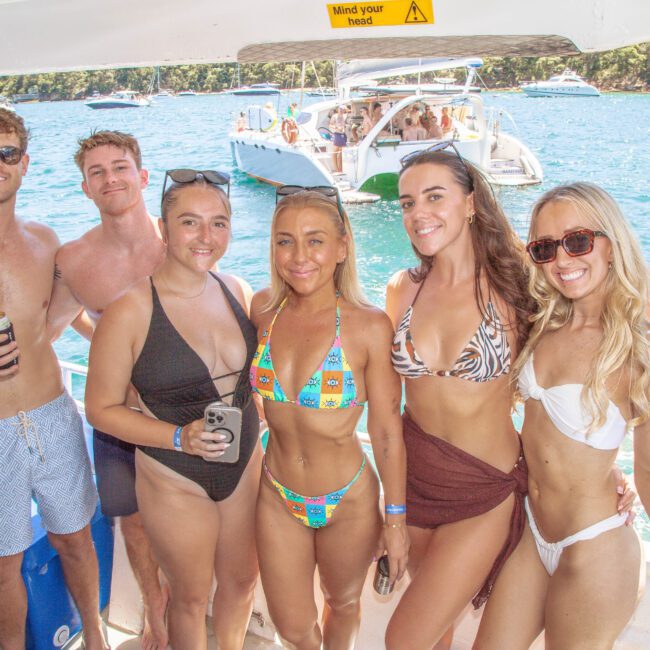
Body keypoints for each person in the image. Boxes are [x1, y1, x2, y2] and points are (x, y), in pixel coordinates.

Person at [85, 169, 262, 649]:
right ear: (163, 228)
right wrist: (178, 437)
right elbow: (99, 409)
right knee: (188, 598)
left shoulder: (237, 290)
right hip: (173, 474)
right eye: (190, 222)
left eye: (219, 223)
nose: (207, 237)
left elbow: (257, 383)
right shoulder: (130, 310)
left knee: (243, 582)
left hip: (244, 462)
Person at [474, 183, 649, 650]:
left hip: (596, 548)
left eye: (578, 241)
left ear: (610, 242)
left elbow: (649, 468)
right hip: (535, 535)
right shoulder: (546, 322)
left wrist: (623, 474)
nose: (562, 261)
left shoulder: (637, 342)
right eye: (545, 248)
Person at [384, 143, 535, 650]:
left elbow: (566, 379)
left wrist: (605, 468)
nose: (418, 214)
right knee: (437, 636)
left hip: (482, 492)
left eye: (434, 196)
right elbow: (383, 408)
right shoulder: (400, 290)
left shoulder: (517, 286)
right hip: (417, 481)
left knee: (404, 639)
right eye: (407, 203)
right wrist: (394, 511)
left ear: (470, 203)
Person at [250, 187, 409, 649]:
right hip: (277, 495)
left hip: (349, 501)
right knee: (293, 626)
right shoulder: (264, 312)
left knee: (342, 605)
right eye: (285, 241)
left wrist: (395, 522)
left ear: (342, 247)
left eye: (315, 240)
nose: (299, 256)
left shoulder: (367, 325)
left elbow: (385, 432)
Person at [46, 130, 169, 649]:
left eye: (119, 167)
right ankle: (156, 623)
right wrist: (100, 341)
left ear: (141, 177)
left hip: (183, 410)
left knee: (199, 518)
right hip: (118, 414)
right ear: (85, 189)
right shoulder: (75, 260)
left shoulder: (180, 239)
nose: (109, 178)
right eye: (96, 172)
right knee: (134, 527)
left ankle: (191, 612)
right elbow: (42, 327)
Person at [0, 108, 108, 650]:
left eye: (7, 152)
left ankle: (95, 634)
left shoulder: (45, 242)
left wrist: (123, 357)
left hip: (52, 413)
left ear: (24, 163)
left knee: (76, 540)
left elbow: (75, 313)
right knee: (3, 565)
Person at [329, 105, 347, 173]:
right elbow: (330, 125)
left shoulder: (345, 116)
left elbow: (352, 112)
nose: (341, 110)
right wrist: (336, 128)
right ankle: (337, 169)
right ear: (338, 109)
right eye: (340, 109)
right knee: (336, 152)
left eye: (342, 109)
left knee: (341, 152)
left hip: (343, 135)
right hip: (337, 134)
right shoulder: (335, 116)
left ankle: (341, 168)